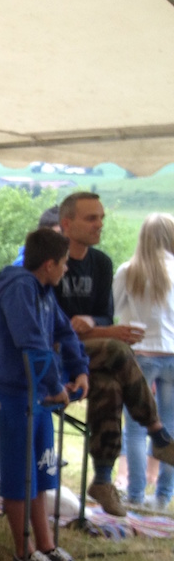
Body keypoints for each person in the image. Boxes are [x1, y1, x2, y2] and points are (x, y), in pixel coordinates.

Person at [51, 191, 174, 516]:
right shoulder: (51, 261)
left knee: (110, 386)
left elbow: (106, 315)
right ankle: (157, 432)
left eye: (102, 218)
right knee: (118, 348)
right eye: (91, 218)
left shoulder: (102, 263)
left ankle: (103, 479)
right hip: (57, 355)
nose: (100, 224)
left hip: (90, 354)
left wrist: (94, 322)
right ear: (67, 224)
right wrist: (105, 332)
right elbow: (53, 326)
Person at [0, 228, 90, 561]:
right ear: (49, 264)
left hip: (38, 392)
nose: (66, 269)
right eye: (64, 263)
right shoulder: (19, 288)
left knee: (42, 470)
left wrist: (79, 370)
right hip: (15, 392)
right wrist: (54, 384)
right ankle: (23, 551)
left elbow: (64, 331)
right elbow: (30, 341)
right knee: (19, 472)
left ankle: (46, 544)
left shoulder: (44, 291)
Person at [114, 212, 174, 510]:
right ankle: (163, 496)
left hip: (140, 354)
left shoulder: (129, 271)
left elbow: (114, 309)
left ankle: (135, 494)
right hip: (172, 354)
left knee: (137, 428)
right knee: (170, 426)